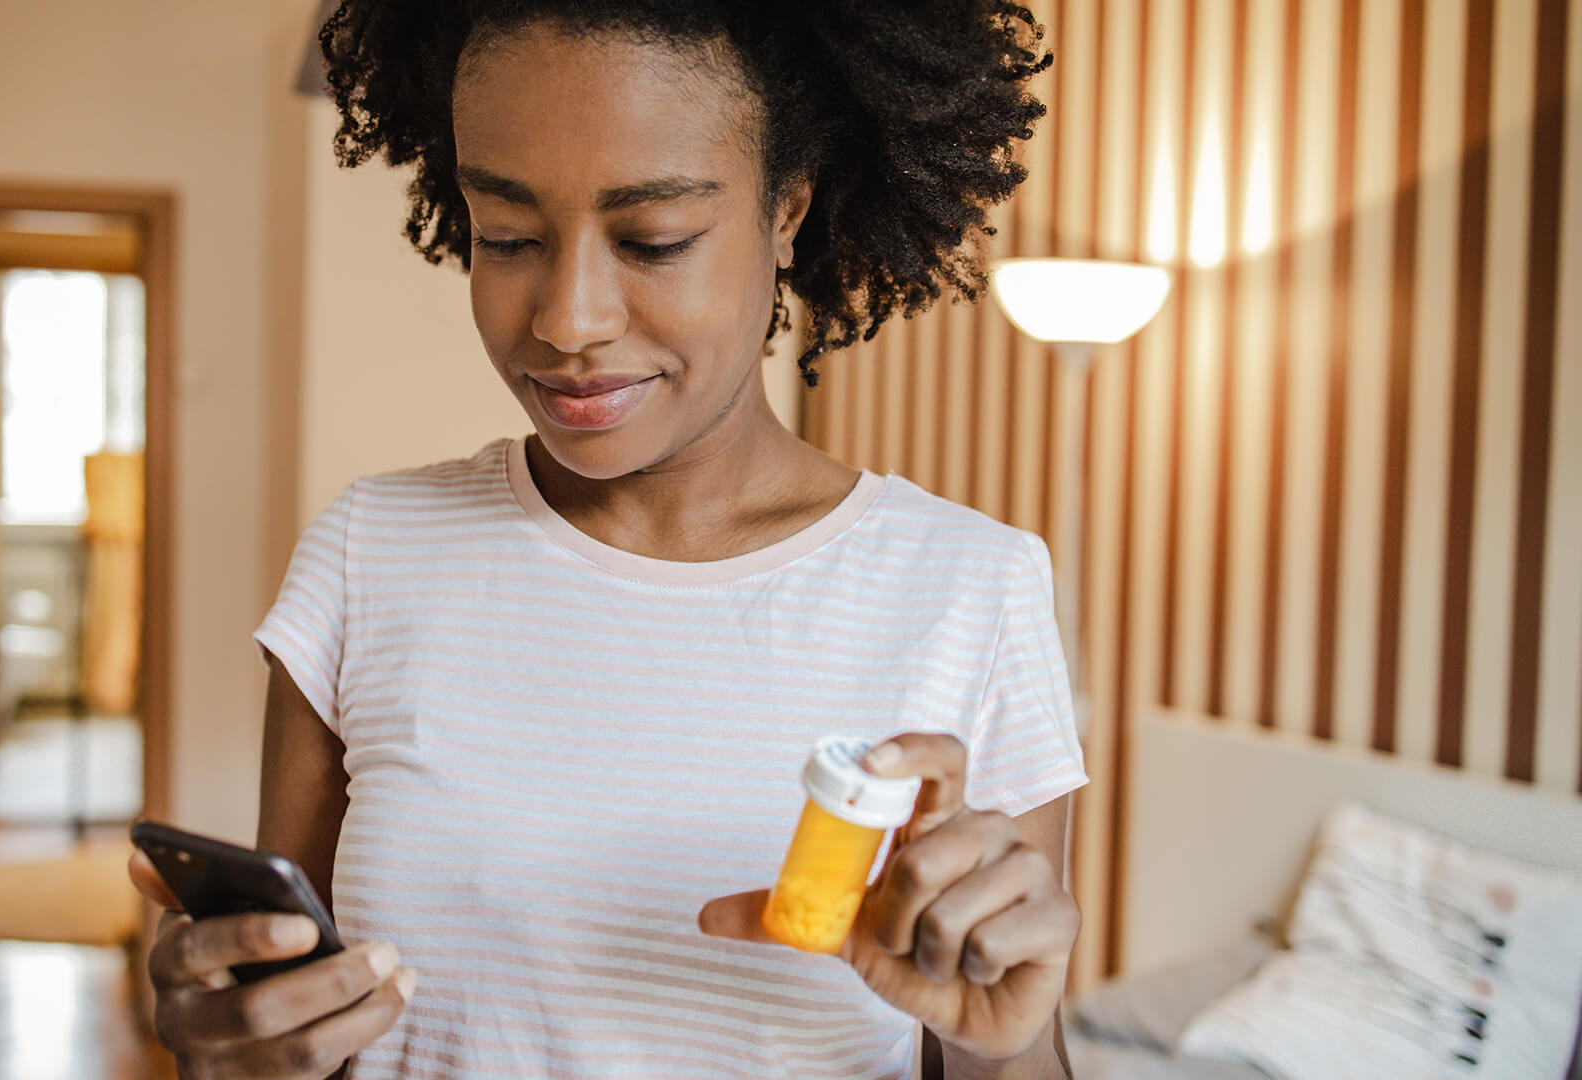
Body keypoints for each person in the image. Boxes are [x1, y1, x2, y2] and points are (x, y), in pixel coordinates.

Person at [129, 1, 1084, 1076]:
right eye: (509, 237)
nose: (567, 320)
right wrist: (231, 1046)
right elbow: (296, 1015)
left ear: (788, 211)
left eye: (653, 240)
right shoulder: (370, 552)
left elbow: (1001, 1035)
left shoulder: (970, 587)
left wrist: (997, 1046)